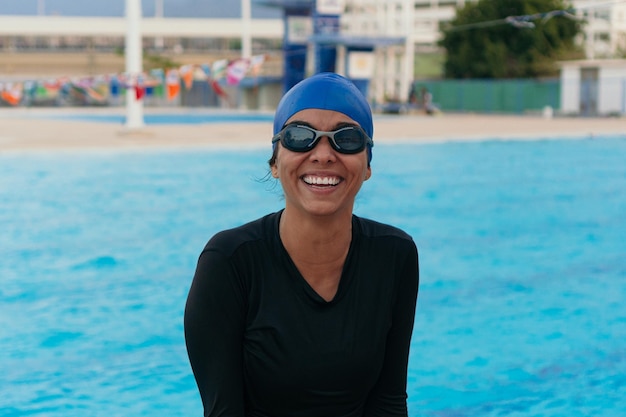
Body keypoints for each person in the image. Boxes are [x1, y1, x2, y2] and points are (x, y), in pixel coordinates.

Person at [184, 72, 419, 417]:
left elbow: (389, 401)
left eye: (347, 138)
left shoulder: (395, 254)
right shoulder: (230, 261)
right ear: (275, 163)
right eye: (299, 136)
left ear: (367, 165)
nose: (323, 154)